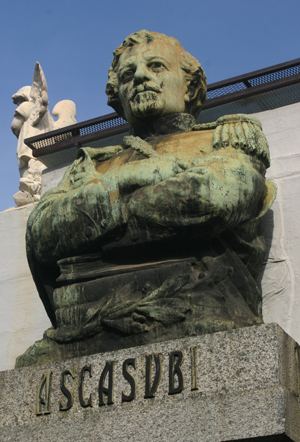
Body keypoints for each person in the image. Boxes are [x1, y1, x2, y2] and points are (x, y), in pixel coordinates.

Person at [20, 30, 276, 366]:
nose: (140, 76)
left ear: (189, 86)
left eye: (156, 66)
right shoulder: (93, 161)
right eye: (128, 75)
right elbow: (42, 234)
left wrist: (97, 213)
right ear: (119, 96)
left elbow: (215, 199)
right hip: (83, 326)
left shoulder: (225, 138)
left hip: (206, 314)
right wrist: (129, 177)